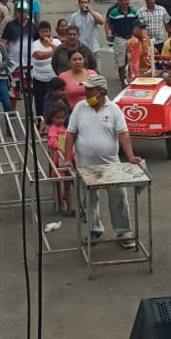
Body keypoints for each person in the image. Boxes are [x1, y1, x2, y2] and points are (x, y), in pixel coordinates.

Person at [61, 74, 141, 249]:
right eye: (86, 89)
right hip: (85, 165)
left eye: (90, 90)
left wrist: (130, 156)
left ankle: (123, 231)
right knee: (89, 199)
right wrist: (67, 158)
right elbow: (70, 134)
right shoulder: (80, 108)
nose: (86, 93)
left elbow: (123, 134)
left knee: (118, 198)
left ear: (102, 92)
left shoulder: (114, 110)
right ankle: (94, 229)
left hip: (110, 164)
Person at [2, 4, 38, 110]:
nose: (21, 13)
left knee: (29, 91)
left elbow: (37, 42)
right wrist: (6, 57)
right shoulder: (10, 25)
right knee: (13, 93)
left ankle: (29, 112)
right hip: (14, 65)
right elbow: (5, 42)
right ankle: (12, 115)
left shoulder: (32, 26)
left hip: (30, 64)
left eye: (24, 11)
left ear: (28, 13)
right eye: (19, 11)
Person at [44, 103, 73, 216]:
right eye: (58, 117)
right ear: (52, 118)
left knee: (67, 181)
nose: (61, 120)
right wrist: (59, 147)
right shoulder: (53, 129)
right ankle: (60, 201)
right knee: (59, 181)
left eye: (62, 117)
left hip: (66, 157)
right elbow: (51, 141)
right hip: (58, 159)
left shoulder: (65, 128)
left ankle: (68, 204)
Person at [105, 0, 138, 86]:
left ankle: (133, 79)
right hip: (120, 39)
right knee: (121, 62)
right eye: (125, 0)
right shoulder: (113, 13)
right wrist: (112, 34)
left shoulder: (133, 12)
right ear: (119, 1)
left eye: (128, 0)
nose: (127, 2)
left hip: (131, 38)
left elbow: (136, 25)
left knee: (133, 60)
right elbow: (110, 25)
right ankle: (123, 82)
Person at [29, 22, 62, 116]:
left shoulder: (56, 42)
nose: (44, 34)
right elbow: (39, 56)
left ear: (50, 31)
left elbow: (61, 52)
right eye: (42, 32)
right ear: (39, 33)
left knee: (56, 103)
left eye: (46, 31)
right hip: (40, 79)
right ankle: (41, 122)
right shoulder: (35, 44)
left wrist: (51, 44)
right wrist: (54, 52)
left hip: (54, 78)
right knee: (40, 104)